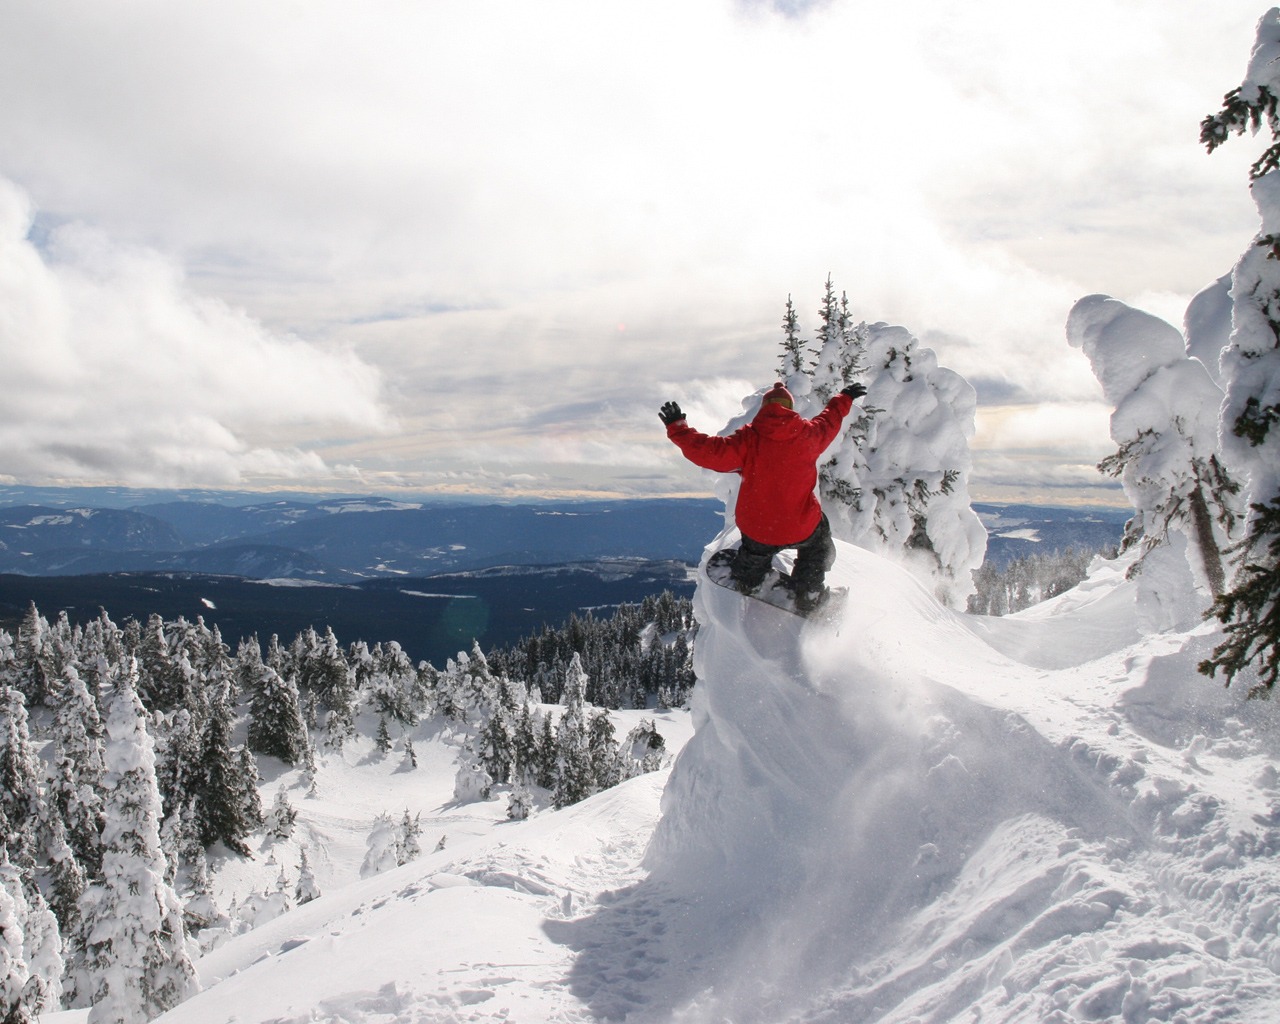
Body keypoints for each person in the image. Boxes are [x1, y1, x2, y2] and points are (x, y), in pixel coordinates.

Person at [660, 380, 866, 611]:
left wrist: (678, 428)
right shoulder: (809, 435)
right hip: (802, 526)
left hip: (760, 529)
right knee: (817, 546)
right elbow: (830, 420)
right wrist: (844, 397)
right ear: (790, 407)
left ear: (764, 407)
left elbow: (708, 451)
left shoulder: (748, 440)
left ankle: (750, 579)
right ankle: (809, 590)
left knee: (755, 552)